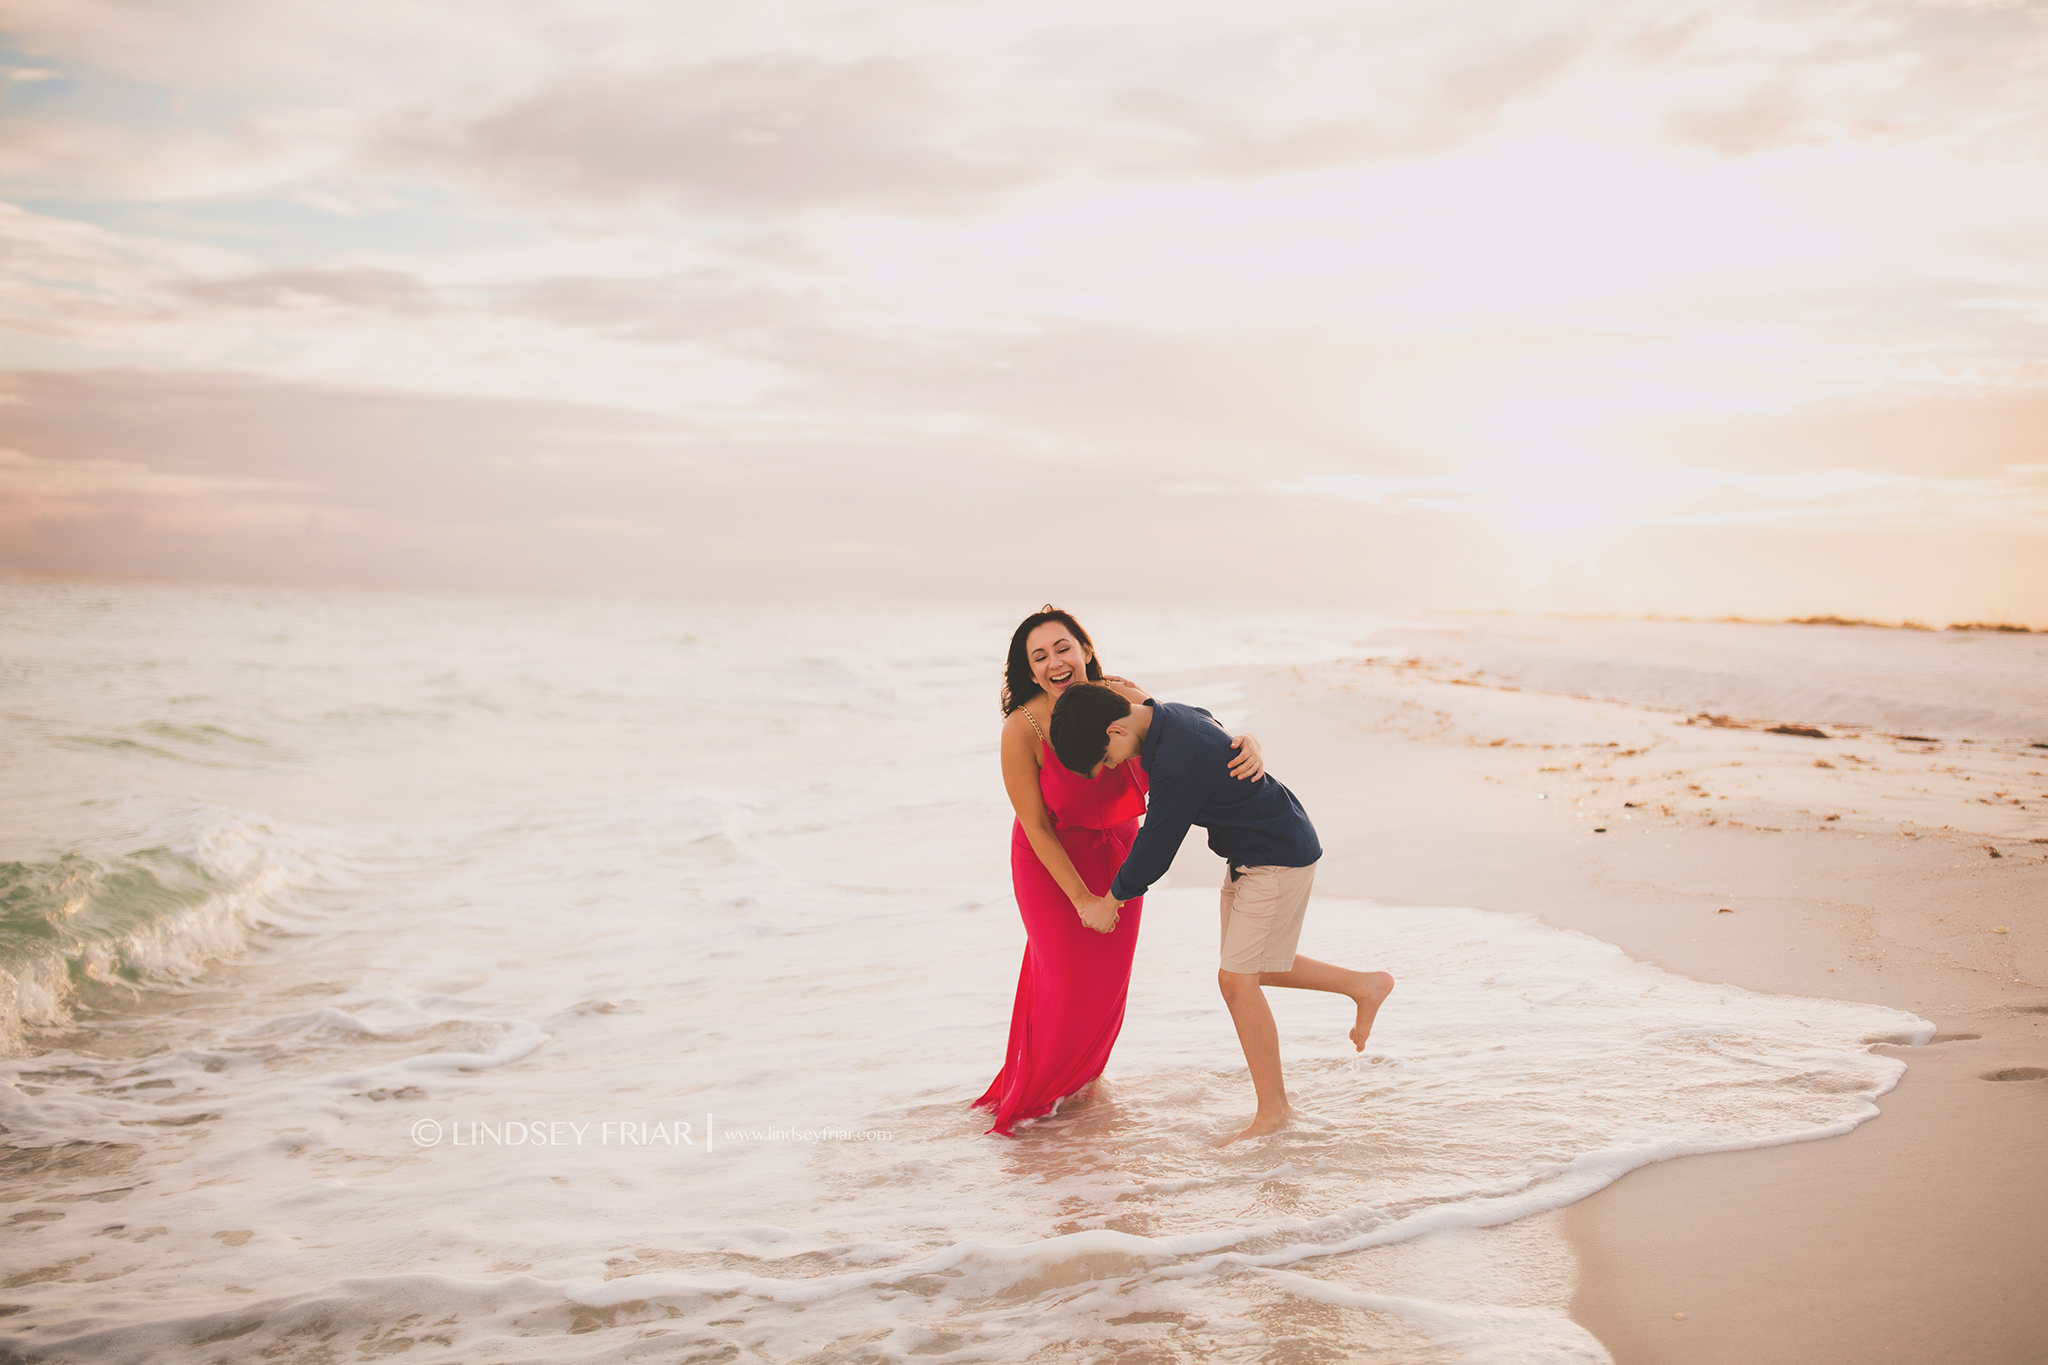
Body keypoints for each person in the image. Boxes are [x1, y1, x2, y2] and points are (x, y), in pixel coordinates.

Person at [1049, 680, 1394, 1144]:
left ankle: (1274, 1111)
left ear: (1115, 729)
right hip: (1256, 852)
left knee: (1236, 980)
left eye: (1109, 758)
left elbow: (1157, 844)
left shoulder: (1175, 760)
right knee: (1255, 969)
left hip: (1275, 856)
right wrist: (1247, 740)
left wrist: (1111, 900)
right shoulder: (1168, 715)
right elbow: (1208, 718)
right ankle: (1365, 985)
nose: (1118, 765)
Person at [972, 607, 1263, 1137]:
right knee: (1061, 980)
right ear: (1029, 671)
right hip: (1051, 863)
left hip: (1125, 856)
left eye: (1063, 648)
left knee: (1105, 986)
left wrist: (1245, 742)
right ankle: (1036, 1107)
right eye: (1039, 657)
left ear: (1084, 649)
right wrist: (1082, 899)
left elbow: (1186, 736)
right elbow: (1035, 825)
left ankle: (1079, 1094)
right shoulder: (1025, 727)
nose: (1055, 663)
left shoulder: (1121, 695)